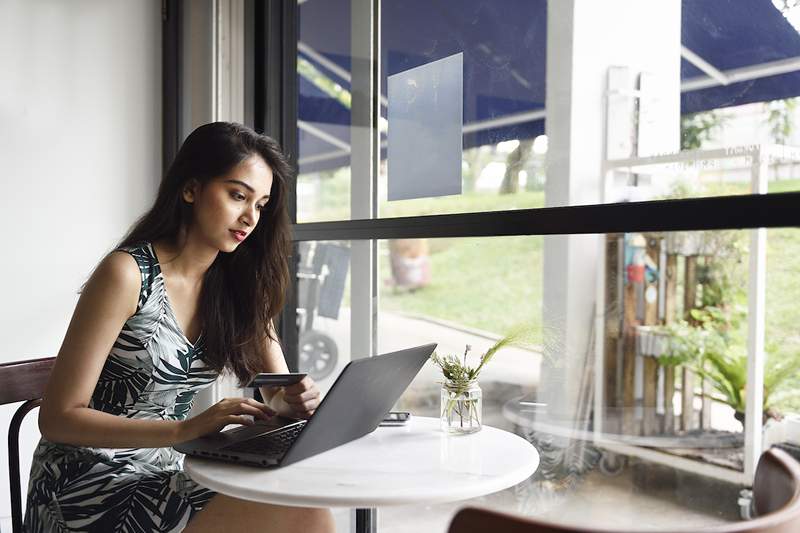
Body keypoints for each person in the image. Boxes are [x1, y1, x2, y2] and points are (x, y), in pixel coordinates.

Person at [23, 122, 335, 532]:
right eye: (237, 195)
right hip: (84, 482)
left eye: (260, 205)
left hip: (170, 474)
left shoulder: (237, 287)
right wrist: (186, 428)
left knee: (304, 505)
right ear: (190, 189)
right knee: (302, 515)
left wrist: (293, 401)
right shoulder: (128, 273)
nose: (249, 216)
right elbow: (58, 418)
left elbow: (278, 389)